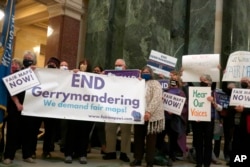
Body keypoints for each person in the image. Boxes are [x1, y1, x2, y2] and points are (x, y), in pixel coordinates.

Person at [3, 51, 38, 164]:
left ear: (34, 60)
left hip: (30, 109)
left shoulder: (39, 73)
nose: (27, 59)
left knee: (28, 133)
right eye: (26, 58)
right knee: (12, 133)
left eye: (30, 58)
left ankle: (27, 155)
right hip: (16, 108)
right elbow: (12, 90)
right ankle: (9, 156)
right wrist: (18, 103)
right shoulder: (18, 73)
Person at [130, 66, 165, 167]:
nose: (145, 73)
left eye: (147, 72)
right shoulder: (138, 83)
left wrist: (149, 112)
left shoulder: (155, 83)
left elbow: (157, 98)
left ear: (151, 73)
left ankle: (149, 161)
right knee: (138, 138)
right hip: (139, 115)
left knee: (151, 140)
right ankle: (138, 159)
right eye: (143, 72)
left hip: (152, 116)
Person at [64, 58, 94, 164]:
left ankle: (82, 154)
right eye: (81, 64)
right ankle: (68, 153)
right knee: (71, 132)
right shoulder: (74, 74)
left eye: (85, 64)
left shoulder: (93, 77)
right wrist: (73, 72)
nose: (83, 65)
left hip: (86, 110)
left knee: (84, 133)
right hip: (74, 109)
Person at [103, 59, 131, 162]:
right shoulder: (109, 77)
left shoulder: (131, 78)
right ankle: (110, 152)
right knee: (109, 129)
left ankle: (124, 153)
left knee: (126, 131)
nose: (117, 67)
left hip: (126, 108)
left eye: (120, 65)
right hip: (112, 107)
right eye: (116, 65)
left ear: (125, 67)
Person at [192, 74, 222, 167]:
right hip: (197, 120)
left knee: (208, 142)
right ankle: (199, 162)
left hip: (209, 121)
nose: (201, 82)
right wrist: (194, 115)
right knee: (198, 142)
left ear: (209, 82)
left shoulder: (214, 93)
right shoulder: (195, 91)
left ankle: (206, 163)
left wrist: (213, 102)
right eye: (201, 80)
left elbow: (220, 108)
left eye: (204, 80)